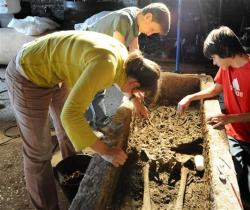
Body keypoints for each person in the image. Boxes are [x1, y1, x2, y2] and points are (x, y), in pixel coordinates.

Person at [5, 30, 161, 210]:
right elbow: (70, 115)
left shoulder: (126, 59)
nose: (134, 95)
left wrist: (135, 100)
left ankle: (71, 172)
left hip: (57, 73)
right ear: (134, 84)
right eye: (136, 92)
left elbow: (127, 86)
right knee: (39, 151)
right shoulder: (106, 67)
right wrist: (106, 151)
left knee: (67, 132)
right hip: (28, 73)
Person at [177, 26, 250, 208]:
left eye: (214, 57)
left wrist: (228, 119)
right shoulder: (227, 68)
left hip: (242, 131)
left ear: (226, 51)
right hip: (236, 135)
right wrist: (190, 97)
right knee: (233, 173)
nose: (215, 63)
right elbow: (216, 89)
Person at [76, 3, 171, 130]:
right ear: (148, 17)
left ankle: (101, 122)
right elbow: (117, 63)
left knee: (99, 88)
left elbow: (134, 53)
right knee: (86, 90)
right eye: (152, 29)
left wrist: (138, 84)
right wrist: (132, 97)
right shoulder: (124, 19)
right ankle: (82, 127)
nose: (149, 34)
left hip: (99, 51)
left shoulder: (137, 17)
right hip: (83, 48)